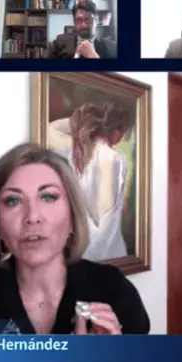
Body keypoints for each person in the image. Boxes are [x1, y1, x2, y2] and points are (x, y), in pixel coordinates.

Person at [0, 143, 149, 335]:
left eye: (48, 197)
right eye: (13, 201)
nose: (32, 217)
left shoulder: (113, 290)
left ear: (72, 217)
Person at [48, 102, 132, 261]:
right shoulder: (117, 160)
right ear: (117, 132)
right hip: (111, 251)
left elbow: (49, 129)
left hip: (80, 250)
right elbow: (103, 218)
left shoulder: (71, 151)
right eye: (123, 132)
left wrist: (84, 123)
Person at [47, 0, 117, 59]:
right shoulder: (60, 41)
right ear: (74, 22)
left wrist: (93, 56)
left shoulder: (113, 48)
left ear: (96, 20)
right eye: (79, 20)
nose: (84, 25)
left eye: (88, 19)